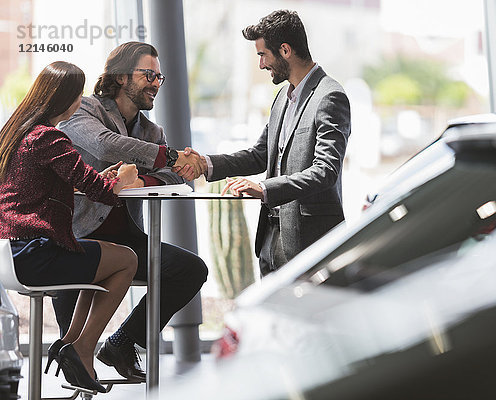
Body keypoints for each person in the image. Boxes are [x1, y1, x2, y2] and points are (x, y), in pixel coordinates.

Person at [54, 42, 209, 381]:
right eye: (148, 74)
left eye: (159, 76)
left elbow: (169, 177)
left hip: (126, 242)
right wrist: (167, 157)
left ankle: (123, 342)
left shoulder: (152, 132)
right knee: (72, 355)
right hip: (79, 240)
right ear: (121, 77)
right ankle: (76, 357)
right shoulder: (84, 110)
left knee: (191, 269)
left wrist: (141, 178)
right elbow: (105, 144)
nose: (156, 82)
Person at [0, 61, 139, 392]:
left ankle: (70, 343)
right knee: (127, 259)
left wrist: (100, 179)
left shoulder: (17, 133)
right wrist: (125, 177)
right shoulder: (50, 137)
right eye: (78, 95)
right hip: (34, 255)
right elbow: (101, 193)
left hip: (9, 254)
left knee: (99, 262)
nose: (81, 102)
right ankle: (83, 347)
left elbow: (61, 180)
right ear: (66, 99)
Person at [188, 9, 351, 276]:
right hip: (270, 240)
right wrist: (205, 164)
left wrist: (264, 188)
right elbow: (259, 155)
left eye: (263, 55)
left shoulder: (330, 97)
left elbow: (326, 171)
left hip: (309, 243)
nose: (261, 64)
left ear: (285, 50)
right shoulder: (281, 99)